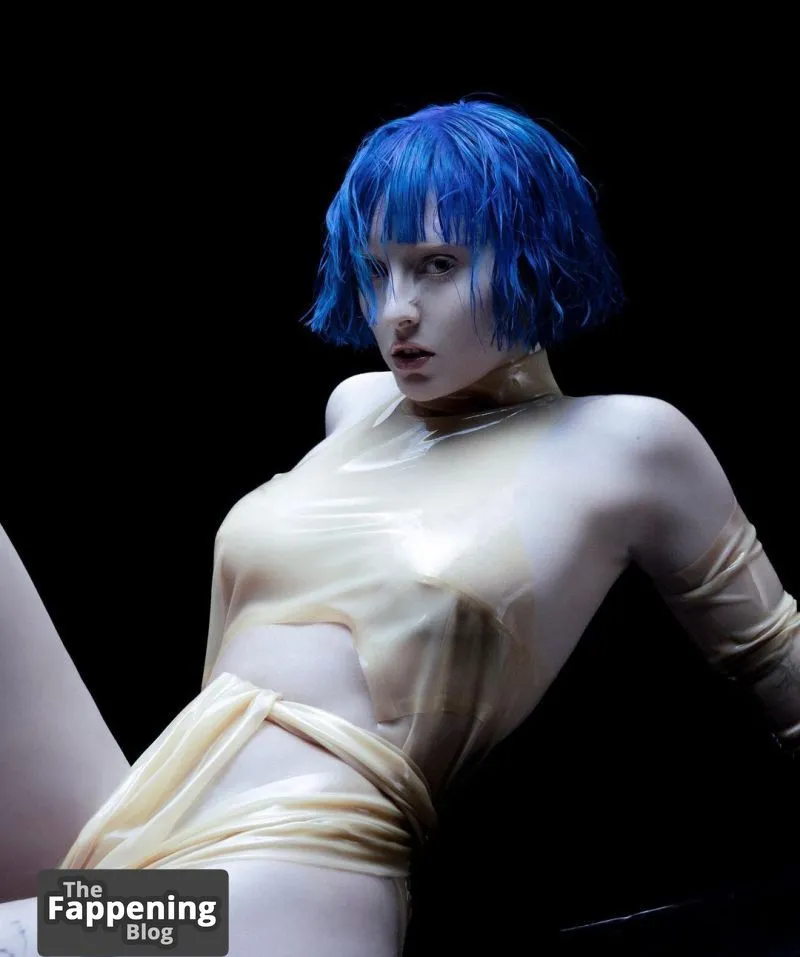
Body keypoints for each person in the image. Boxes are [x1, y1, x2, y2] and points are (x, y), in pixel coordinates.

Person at [1, 98, 797, 957]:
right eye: (377, 271)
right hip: (142, 827)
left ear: (537, 251)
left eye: (437, 265)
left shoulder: (626, 443)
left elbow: (779, 664)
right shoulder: (357, 407)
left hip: (283, 887)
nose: (394, 312)